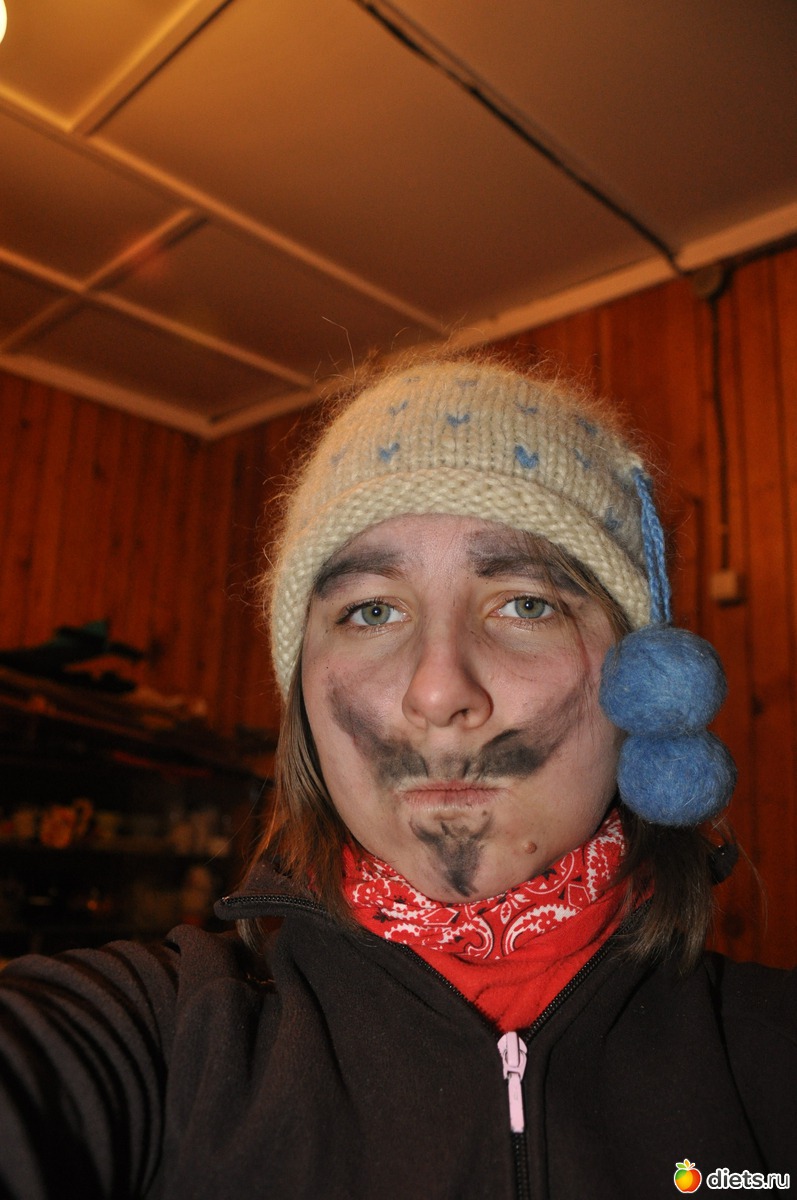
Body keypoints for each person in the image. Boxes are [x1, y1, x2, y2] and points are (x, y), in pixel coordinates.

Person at [0, 357, 794, 1199]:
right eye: (370, 611)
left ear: (642, 680)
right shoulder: (161, 1040)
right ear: (303, 689)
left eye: (525, 603)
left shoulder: (773, 1058)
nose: (438, 690)